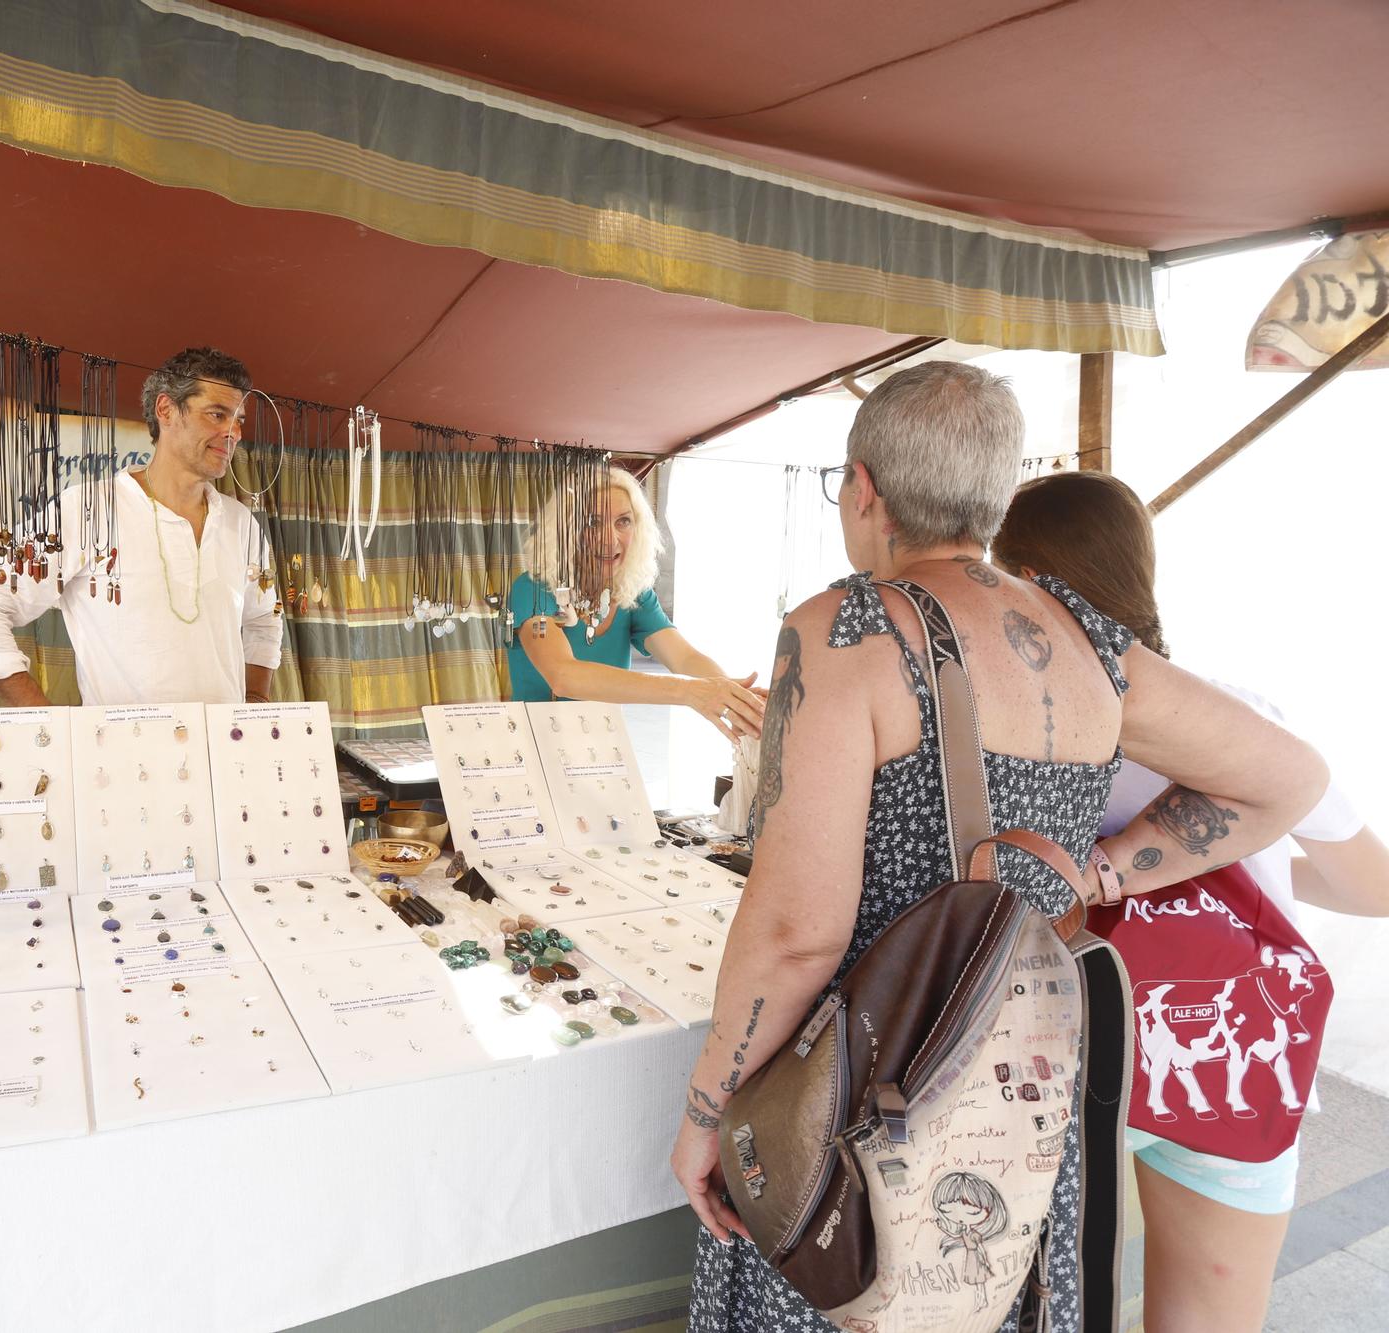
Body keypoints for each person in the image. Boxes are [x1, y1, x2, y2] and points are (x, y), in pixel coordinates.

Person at [666, 362, 1327, 1332]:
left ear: (862, 490)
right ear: (993, 498)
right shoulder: (1086, 638)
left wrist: (703, 1115)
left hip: (858, 1097)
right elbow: (1288, 779)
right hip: (1012, 1092)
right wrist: (1101, 869)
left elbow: (796, 931)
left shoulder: (844, 630)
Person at [992, 470, 1386, 1333]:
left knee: (1032, 1301)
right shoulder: (1241, 717)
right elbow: (1374, 884)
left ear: (1014, 572)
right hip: (1235, 1060)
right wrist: (1259, 851)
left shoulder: (1010, 728)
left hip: (1064, 1059)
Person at [0, 347, 281, 706]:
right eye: (217, 414)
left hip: (226, 754)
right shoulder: (85, 510)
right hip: (124, 756)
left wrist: (255, 701)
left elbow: (264, 620)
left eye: (239, 419)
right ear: (166, 410)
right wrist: (43, 717)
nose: (233, 432)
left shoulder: (241, 524)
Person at [508, 466, 765, 738]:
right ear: (565, 530)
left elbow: (685, 657)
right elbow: (564, 677)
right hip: (536, 752)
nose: (610, 539)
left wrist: (733, 697)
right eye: (592, 523)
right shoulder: (533, 590)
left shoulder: (634, 594)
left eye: (623, 521)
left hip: (606, 750)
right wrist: (688, 691)